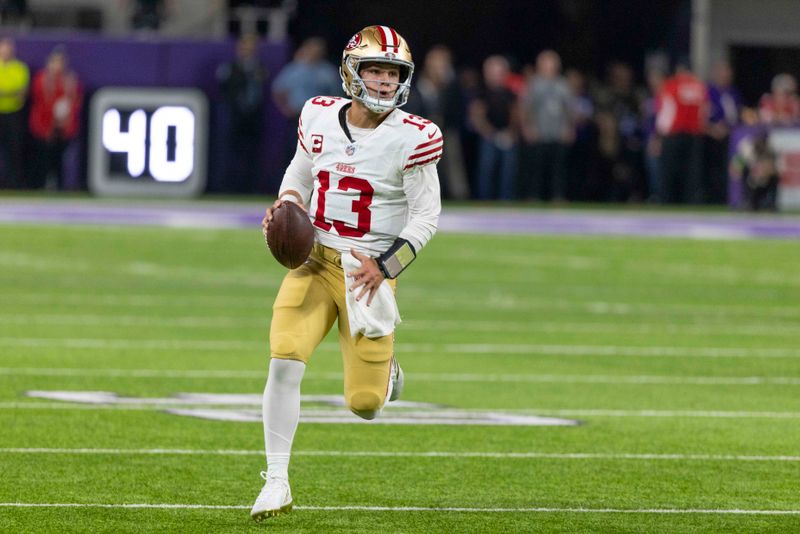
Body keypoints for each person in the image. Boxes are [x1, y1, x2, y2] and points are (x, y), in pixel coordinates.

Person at [251, 25, 442, 521]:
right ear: (351, 72)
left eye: (392, 73)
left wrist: (386, 266)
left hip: (367, 272)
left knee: (364, 404)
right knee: (285, 356)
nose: (382, 82)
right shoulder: (317, 114)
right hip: (314, 258)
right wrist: (288, 203)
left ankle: (389, 373)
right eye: (375, 71)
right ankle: (276, 480)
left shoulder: (414, 138)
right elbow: (300, 171)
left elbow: (426, 218)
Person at [406, 44, 469, 199]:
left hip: (446, 131)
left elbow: (458, 108)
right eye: (435, 60)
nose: (438, 64)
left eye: (442, 61)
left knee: (452, 164)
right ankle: (418, 195)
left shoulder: (452, 85)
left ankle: (458, 196)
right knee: (420, 165)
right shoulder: (419, 81)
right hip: (421, 132)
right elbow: (413, 105)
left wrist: (445, 86)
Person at [271, 37, 340, 168]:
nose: (315, 52)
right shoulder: (294, 69)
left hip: (320, 118)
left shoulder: (327, 72)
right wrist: (285, 108)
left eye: (318, 50)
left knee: (318, 152)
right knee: (293, 149)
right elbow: (278, 89)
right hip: (297, 115)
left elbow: (337, 94)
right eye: (312, 49)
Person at [215, 33, 267, 193]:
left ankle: (250, 186)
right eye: (245, 47)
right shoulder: (229, 68)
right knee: (231, 150)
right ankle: (229, 186)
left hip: (254, 115)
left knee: (252, 151)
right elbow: (223, 89)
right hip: (235, 114)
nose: (248, 51)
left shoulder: (260, 68)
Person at [519, 50, 573, 201]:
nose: (549, 66)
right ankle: (533, 196)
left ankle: (558, 196)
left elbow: (569, 108)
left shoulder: (563, 84)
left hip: (558, 132)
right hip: (538, 132)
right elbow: (525, 108)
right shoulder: (533, 84)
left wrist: (569, 128)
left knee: (558, 168)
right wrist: (527, 128)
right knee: (536, 168)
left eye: (552, 63)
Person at [27, 45, 83, 190]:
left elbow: (75, 100)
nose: (58, 65)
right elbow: (40, 101)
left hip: (64, 125)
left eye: (60, 62)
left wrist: (64, 121)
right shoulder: (42, 79)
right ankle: (39, 185)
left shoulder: (70, 80)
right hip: (43, 123)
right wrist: (48, 123)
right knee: (41, 157)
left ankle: (59, 186)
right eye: (55, 62)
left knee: (59, 158)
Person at [656, 60, 708, 204]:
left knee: (669, 170)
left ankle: (667, 200)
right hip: (694, 135)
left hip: (674, 134)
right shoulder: (699, 87)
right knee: (691, 172)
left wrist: (659, 135)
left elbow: (666, 111)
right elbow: (704, 112)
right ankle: (690, 200)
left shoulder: (672, 85)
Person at [469, 55, 518, 200]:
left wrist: (510, 133)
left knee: (508, 171)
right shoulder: (480, 92)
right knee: (486, 169)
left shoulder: (510, 93)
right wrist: (490, 133)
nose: (495, 76)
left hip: (507, 136)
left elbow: (516, 114)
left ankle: (506, 200)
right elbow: (477, 116)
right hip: (488, 137)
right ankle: (484, 200)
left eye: (499, 72)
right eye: (492, 72)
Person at [705, 60, 741, 204]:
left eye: (728, 72)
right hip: (711, 138)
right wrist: (712, 128)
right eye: (723, 72)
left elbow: (738, 114)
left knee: (731, 168)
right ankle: (713, 198)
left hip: (731, 137)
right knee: (714, 171)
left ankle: (729, 198)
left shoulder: (733, 92)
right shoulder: (708, 91)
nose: (726, 75)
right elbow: (702, 114)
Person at [0, 37, 29, 189]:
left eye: (8, 49)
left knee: (14, 149)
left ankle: (13, 183)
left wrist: (5, 93)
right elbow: (14, 91)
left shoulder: (20, 68)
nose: (5, 52)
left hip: (13, 114)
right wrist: (10, 92)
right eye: (3, 48)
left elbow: (21, 92)